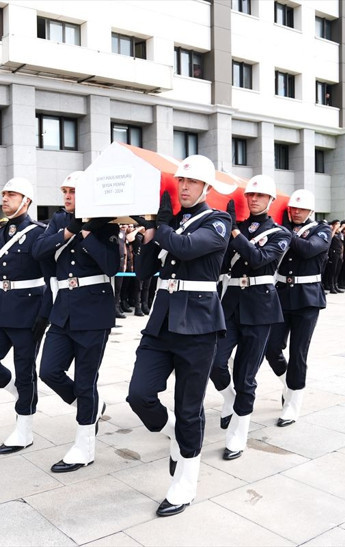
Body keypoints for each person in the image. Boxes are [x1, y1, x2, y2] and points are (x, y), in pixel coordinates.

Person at [127, 155, 232, 517]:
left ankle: (186, 481)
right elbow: (143, 272)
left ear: (205, 188)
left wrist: (164, 226)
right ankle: (173, 433)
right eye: (180, 182)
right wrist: (147, 237)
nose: (184, 187)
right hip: (162, 322)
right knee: (138, 394)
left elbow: (187, 248)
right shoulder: (171, 224)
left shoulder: (218, 220)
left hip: (199, 326)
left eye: (191, 182)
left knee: (189, 409)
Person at [33, 170, 118, 473]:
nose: (67, 197)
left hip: (94, 310)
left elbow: (112, 265)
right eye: (65, 192)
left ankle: (84, 447)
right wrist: (69, 232)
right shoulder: (58, 221)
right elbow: (38, 250)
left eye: (73, 192)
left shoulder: (106, 224)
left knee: (85, 381)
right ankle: (92, 407)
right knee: (49, 371)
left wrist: (88, 233)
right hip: (63, 309)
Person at [209, 174, 291, 461]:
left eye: (260, 196)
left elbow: (258, 258)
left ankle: (238, 432)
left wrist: (234, 233)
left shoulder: (280, 233)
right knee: (214, 361)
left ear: (270, 200)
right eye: (250, 195)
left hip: (260, 308)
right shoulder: (235, 226)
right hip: (230, 303)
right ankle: (230, 398)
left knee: (246, 375)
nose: (253, 199)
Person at [0, 177, 51, 455]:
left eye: (11, 194)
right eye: (4, 194)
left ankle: (24, 430)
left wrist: (44, 316)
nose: (5, 198)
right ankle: (22, 397)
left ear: (26, 201)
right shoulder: (3, 232)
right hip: (3, 308)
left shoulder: (38, 233)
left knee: (25, 371)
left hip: (29, 311)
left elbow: (49, 278)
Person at [264, 190, 331, 427]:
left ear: (310, 211)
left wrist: (282, 231)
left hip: (307, 299)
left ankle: (293, 402)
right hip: (281, 295)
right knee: (270, 348)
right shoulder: (283, 229)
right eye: (292, 209)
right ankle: (288, 384)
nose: (296, 212)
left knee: (298, 352)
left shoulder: (322, 230)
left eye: (301, 209)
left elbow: (307, 249)